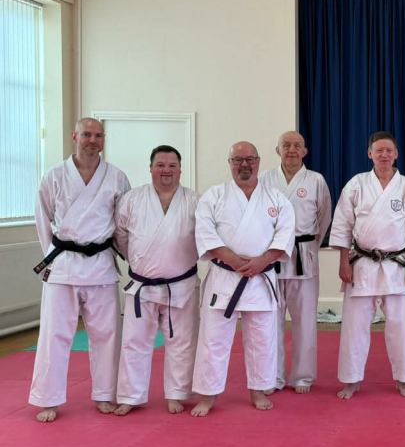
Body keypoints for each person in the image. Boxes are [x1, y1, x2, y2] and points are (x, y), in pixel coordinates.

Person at [29, 117, 131, 422]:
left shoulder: (117, 177)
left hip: (101, 265)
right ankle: (48, 398)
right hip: (63, 265)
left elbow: (122, 224)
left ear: (103, 139)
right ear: (75, 136)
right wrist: (53, 256)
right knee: (54, 334)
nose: (92, 140)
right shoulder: (54, 175)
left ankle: (105, 394)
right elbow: (43, 220)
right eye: (87, 134)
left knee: (107, 335)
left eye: (98, 135)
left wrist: (128, 257)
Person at [191, 142, 295, 415]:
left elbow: (285, 235)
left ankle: (259, 390)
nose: (244, 164)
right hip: (225, 276)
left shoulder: (276, 198)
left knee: (262, 338)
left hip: (261, 277)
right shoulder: (214, 196)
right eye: (238, 160)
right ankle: (208, 394)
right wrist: (235, 262)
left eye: (250, 159)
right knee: (214, 340)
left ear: (259, 162)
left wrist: (262, 261)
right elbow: (205, 233)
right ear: (230, 163)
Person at [330, 132, 405, 399]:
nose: (384, 155)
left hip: (397, 265)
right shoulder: (356, 184)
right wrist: (343, 263)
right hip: (361, 263)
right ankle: (351, 380)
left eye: (389, 150)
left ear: (396, 154)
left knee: (400, 326)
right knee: (355, 326)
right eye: (379, 150)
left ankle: (404, 379)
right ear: (369, 153)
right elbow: (342, 225)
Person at [114, 145, 200, 415]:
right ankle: (130, 395)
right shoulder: (132, 199)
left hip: (182, 284)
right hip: (143, 284)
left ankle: (177, 393)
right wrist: (139, 261)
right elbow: (121, 236)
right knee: (134, 341)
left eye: (172, 165)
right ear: (150, 168)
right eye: (160, 165)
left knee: (182, 341)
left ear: (180, 170)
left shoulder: (194, 200)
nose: (166, 170)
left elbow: (204, 238)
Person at [260, 131, 332, 394]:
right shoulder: (264, 179)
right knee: (270, 320)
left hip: (304, 255)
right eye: (286, 145)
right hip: (271, 257)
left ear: (305, 151)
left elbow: (324, 217)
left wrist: (310, 244)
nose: (291, 150)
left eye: (297, 145)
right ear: (277, 150)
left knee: (305, 320)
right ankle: (273, 376)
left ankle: (302, 376)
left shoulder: (315, 180)